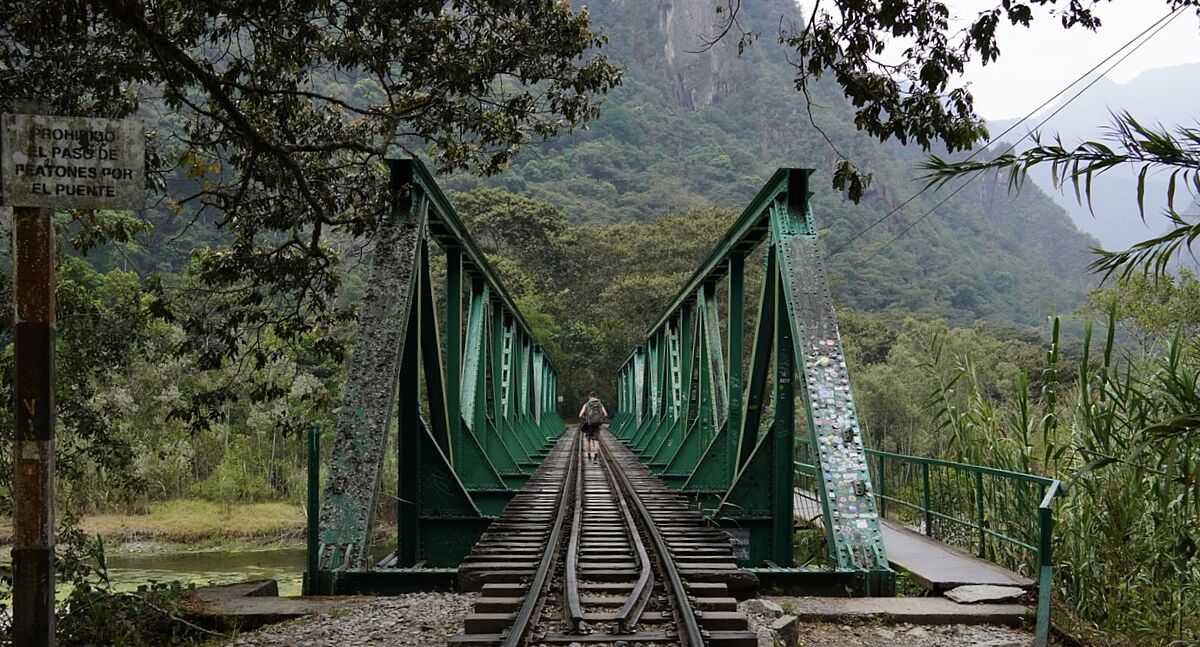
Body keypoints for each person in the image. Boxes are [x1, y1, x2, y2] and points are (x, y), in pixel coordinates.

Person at [578, 391, 608, 460]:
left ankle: (589, 455)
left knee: (588, 440)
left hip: (589, 424)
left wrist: (586, 417)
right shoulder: (600, 404)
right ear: (596, 397)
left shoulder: (586, 404)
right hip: (597, 424)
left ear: (589, 397)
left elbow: (580, 415)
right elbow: (606, 414)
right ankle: (595, 456)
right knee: (596, 440)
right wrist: (600, 418)